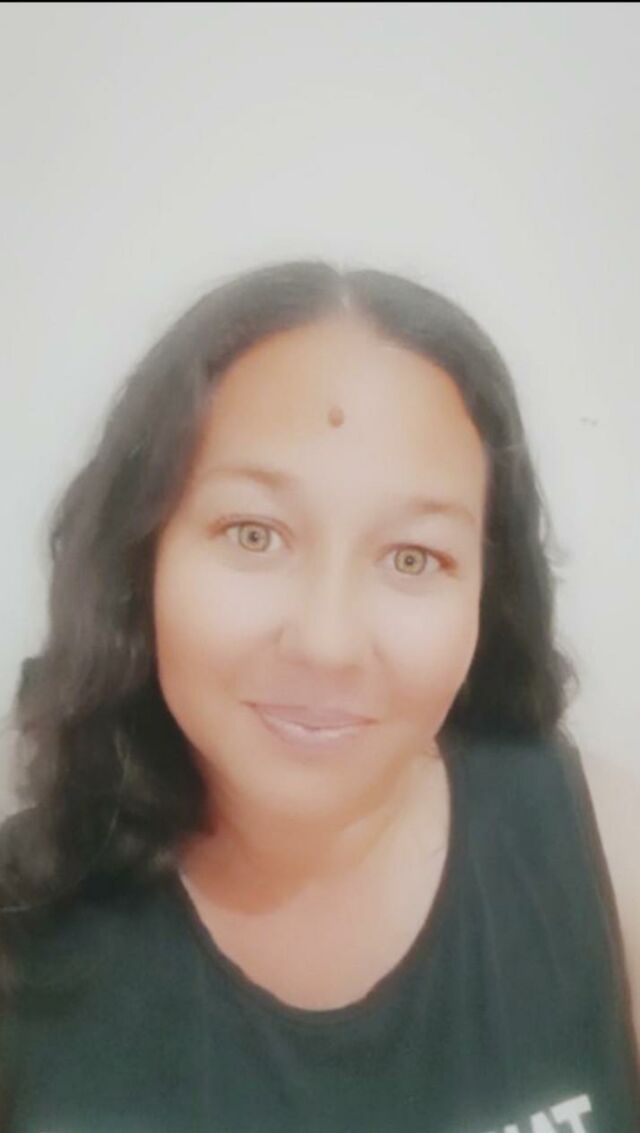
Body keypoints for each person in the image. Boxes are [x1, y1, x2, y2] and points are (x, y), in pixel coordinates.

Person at [0, 260, 638, 1133]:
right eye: (254, 534)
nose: (327, 642)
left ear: (486, 596)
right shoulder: (21, 928)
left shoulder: (609, 855)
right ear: (140, 559)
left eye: (413, 556)